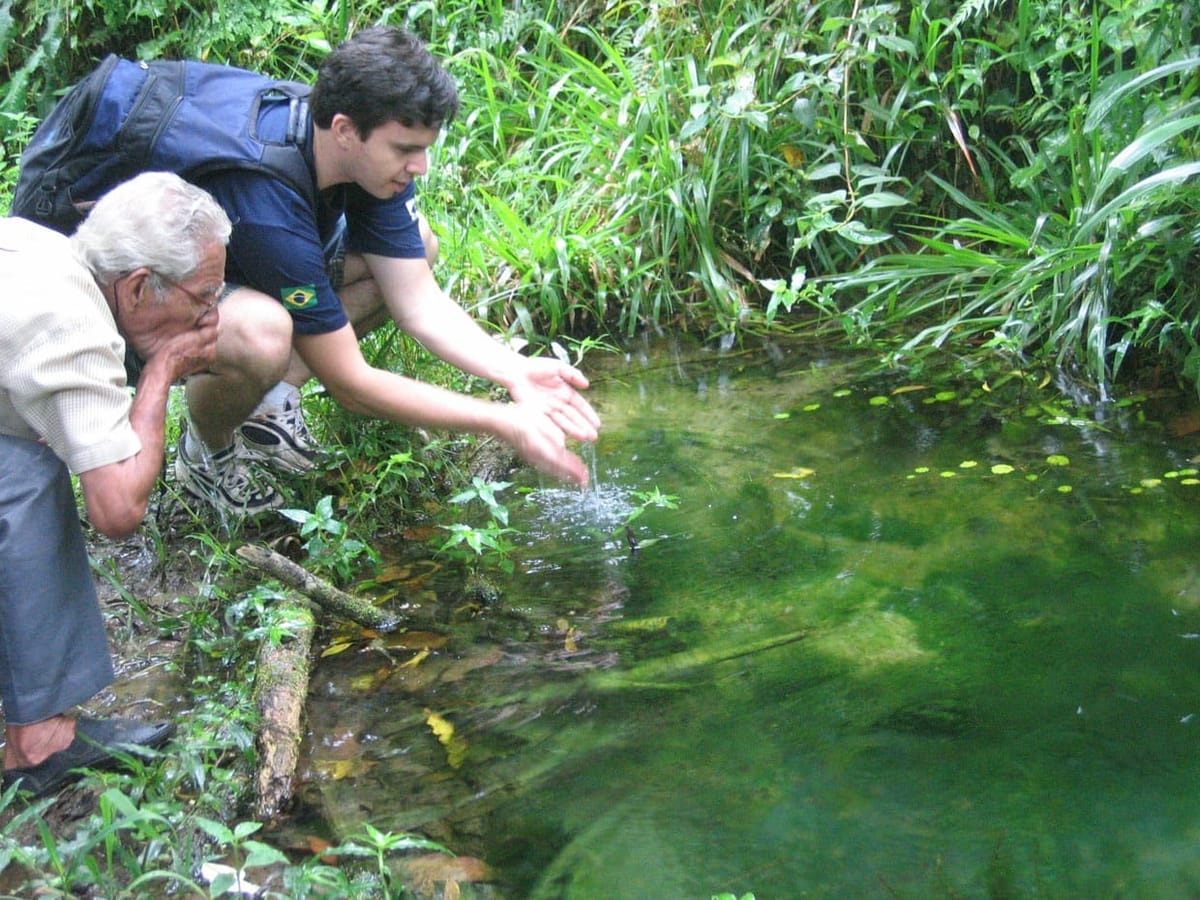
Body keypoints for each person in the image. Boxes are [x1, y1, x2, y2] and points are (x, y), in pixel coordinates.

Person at [163, 26, 602, 514]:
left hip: (240, 250)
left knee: (418, 247)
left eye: (424, 147)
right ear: (347, 130)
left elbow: (416, 299)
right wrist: (504, 421)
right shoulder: (268, 193)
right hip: (126, 282)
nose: (422, 167)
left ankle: (267, 402)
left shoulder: (357, 161)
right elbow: (352, 385)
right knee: (260, 333)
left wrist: (513, 370)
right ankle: (207, 452)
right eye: (405, 149)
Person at [0, 172, 232, 796]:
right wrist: (162, 370)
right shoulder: (73, 326)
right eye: (204, 295)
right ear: (136, 288)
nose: (212, 313)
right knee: (21, 482)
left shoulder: (33, 245)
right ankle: (41, 741)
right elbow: (118, 506)